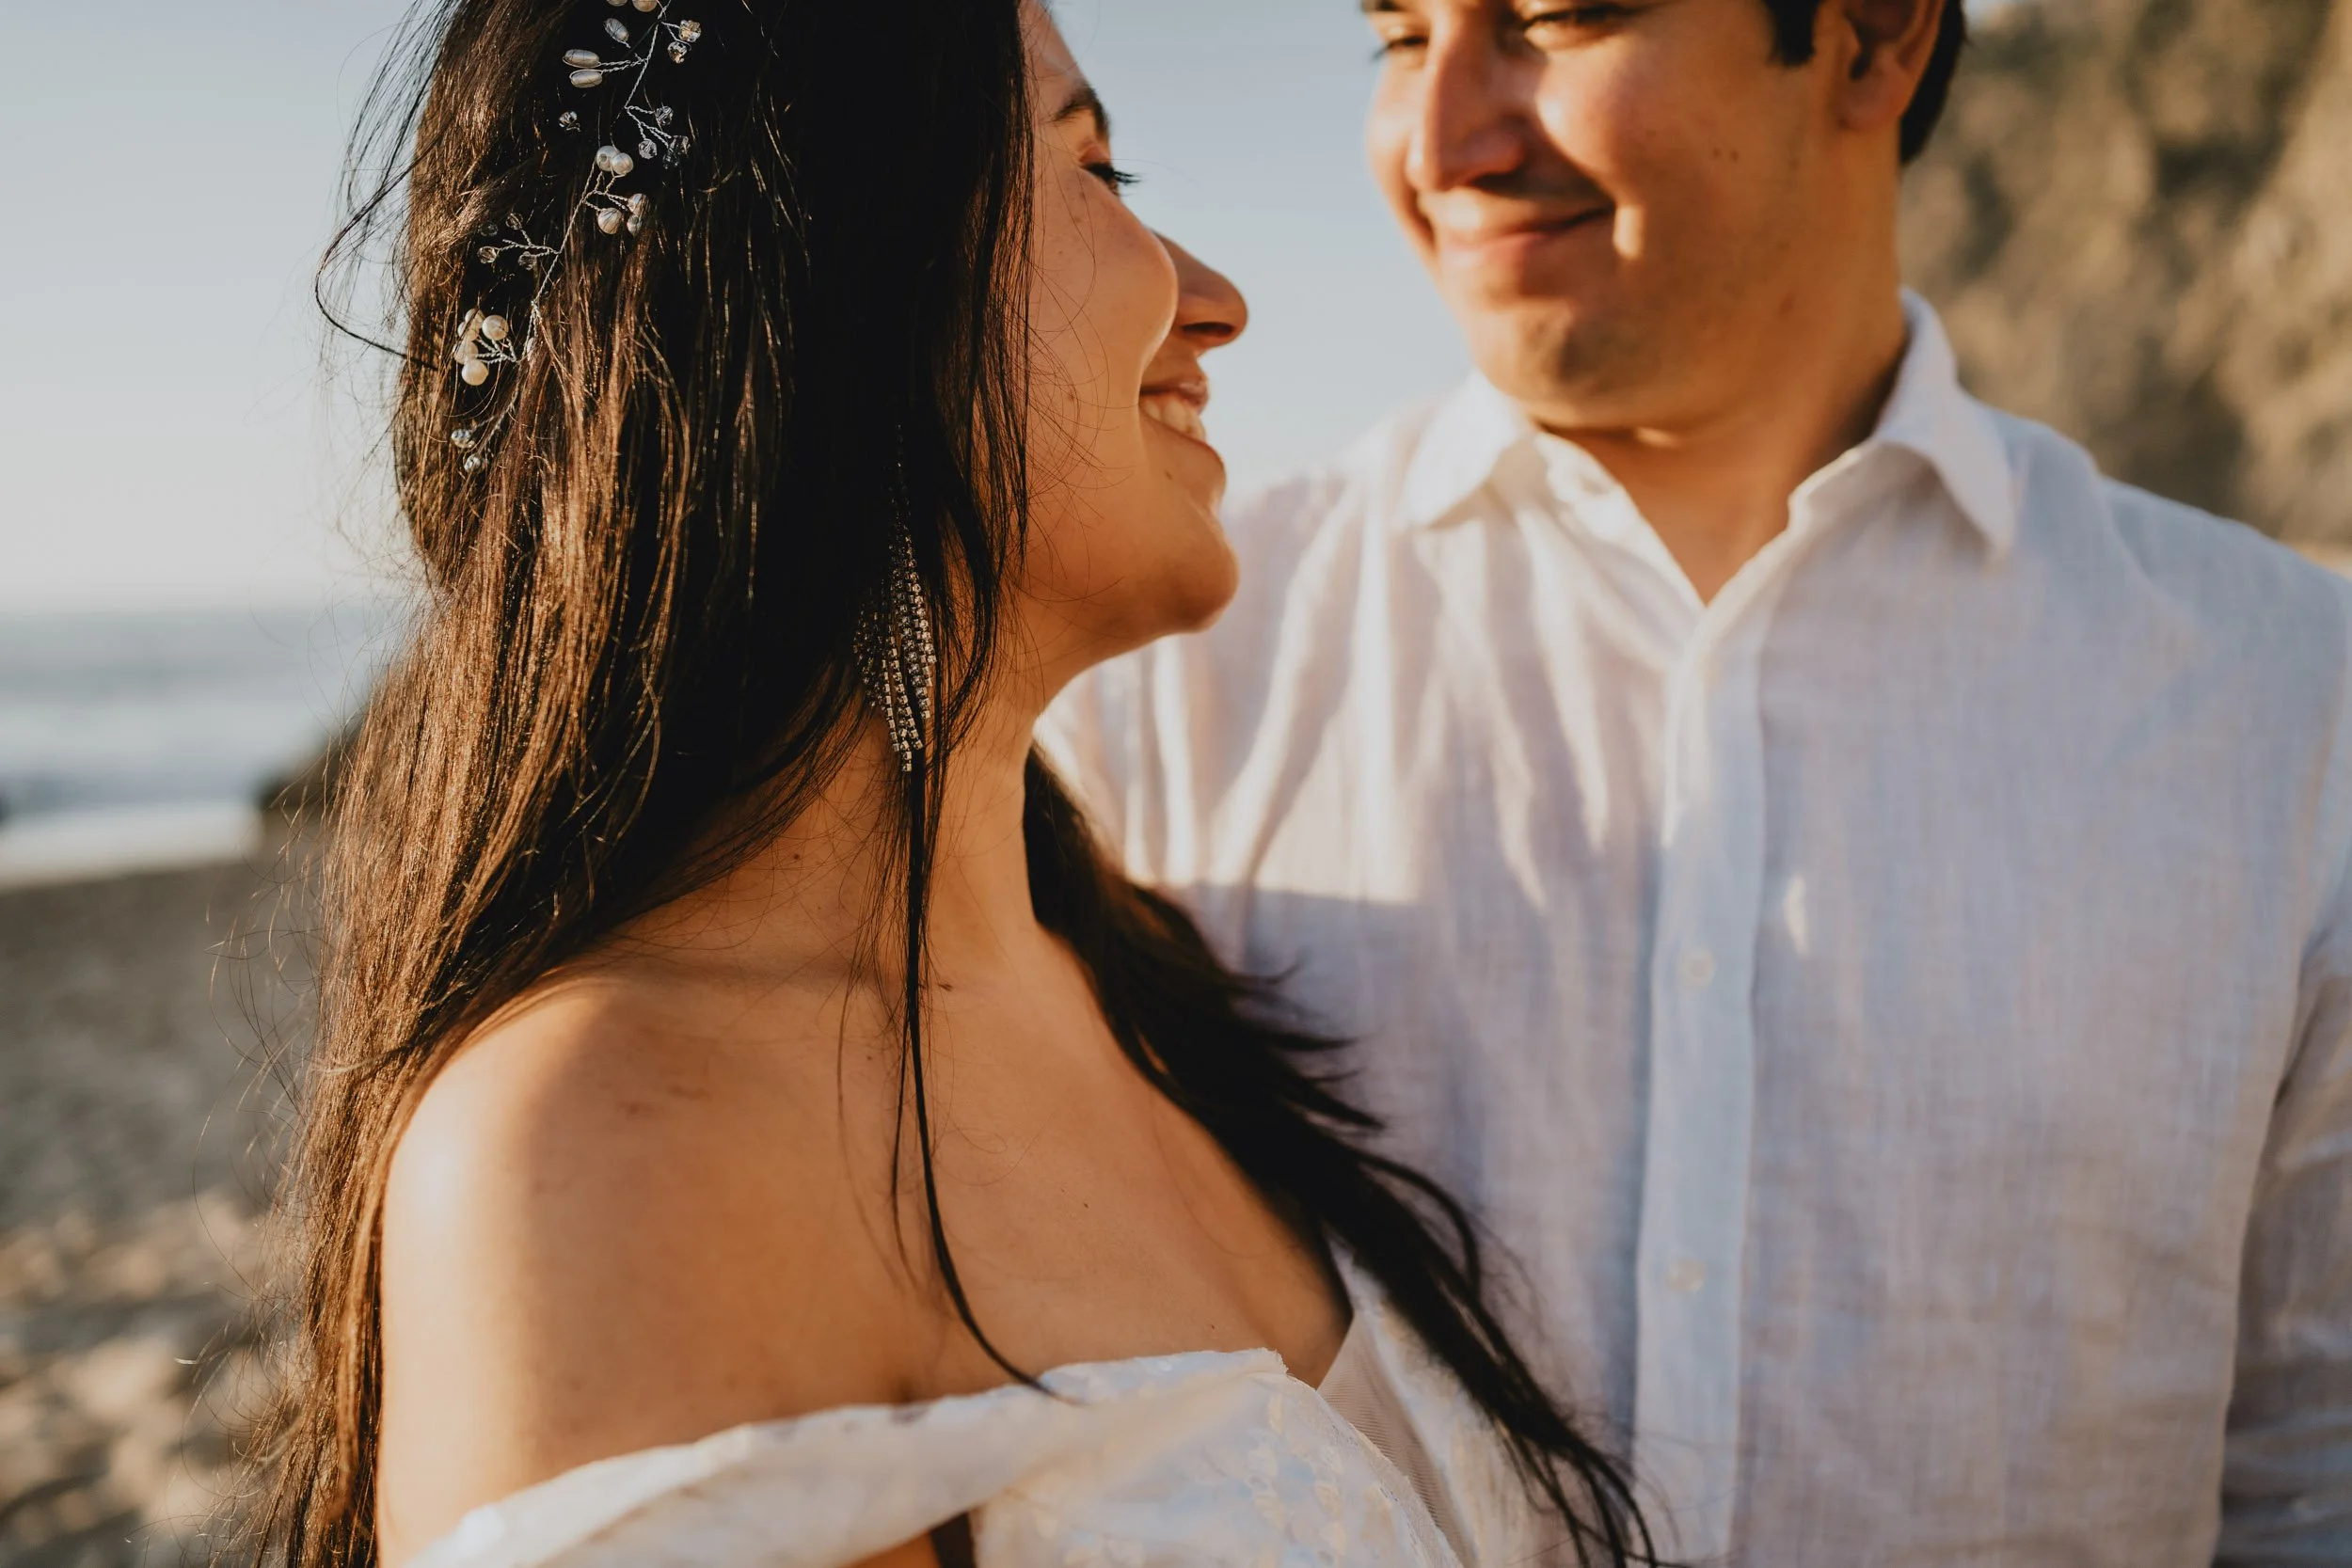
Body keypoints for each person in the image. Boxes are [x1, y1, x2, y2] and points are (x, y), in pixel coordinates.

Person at [246, 3, 1661, 1567]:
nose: (1218, 300)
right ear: (841, 298)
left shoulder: (1153, 980)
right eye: (1096, 169)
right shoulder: (614, 1147)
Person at [1040, 0, 2352, 1561]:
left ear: (1871, 42)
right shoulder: (1155, 682)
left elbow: (2311, 1480)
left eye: (1552, 21)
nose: (1443, 140)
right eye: (1399, 38)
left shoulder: (2293, 703)